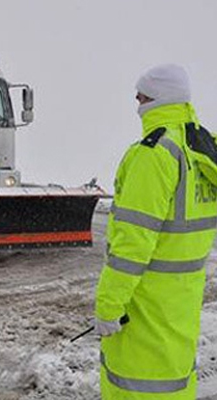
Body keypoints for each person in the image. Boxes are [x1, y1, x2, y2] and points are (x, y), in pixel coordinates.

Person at [95, 64, 217, 399]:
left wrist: (108, 307)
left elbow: (131, 245)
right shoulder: (200, 151)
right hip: (180, 310)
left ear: (156, 99)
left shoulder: (154, 155)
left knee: (137, 387)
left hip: (143, 314)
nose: (137, 103)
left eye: (142, 96)